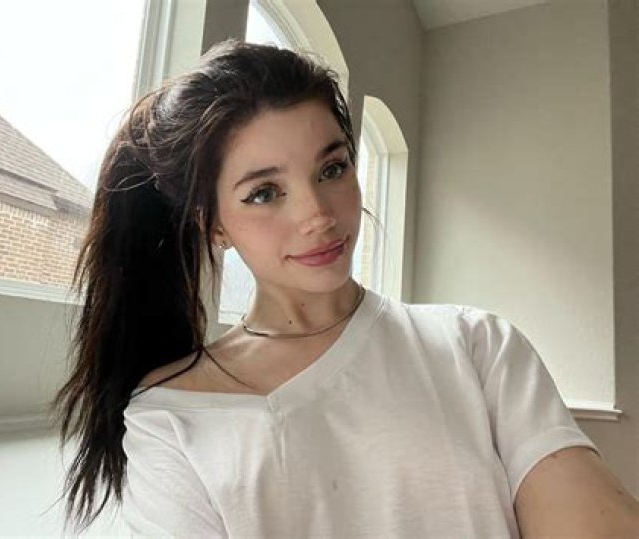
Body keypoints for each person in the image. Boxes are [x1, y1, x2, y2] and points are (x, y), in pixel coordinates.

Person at [50, 39, 639, 537]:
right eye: (264, 192)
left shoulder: (476, 345)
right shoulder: (171, 419)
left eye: (332, 168)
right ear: (213, 223)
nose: (318, 214)